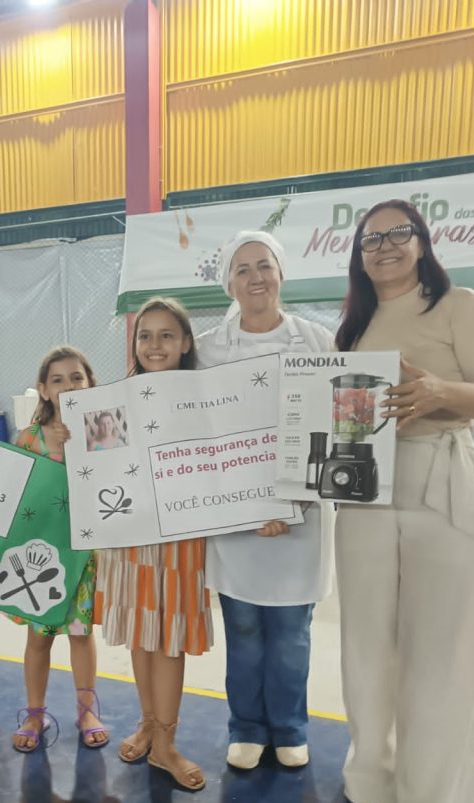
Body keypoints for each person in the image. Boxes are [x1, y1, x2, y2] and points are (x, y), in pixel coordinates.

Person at [334, 200, 474, 803]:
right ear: (358, 254)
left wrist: (442, 393)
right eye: (371, 238)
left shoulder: (460, 306)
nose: (385, 246)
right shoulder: (353, 327)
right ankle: (374, 777)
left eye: (398, 233)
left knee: (441, 654)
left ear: (422, 242)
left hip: (442, 479)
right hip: (364, 490)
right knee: (367, 647)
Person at [195, 231, 334, 771]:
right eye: (243, 268)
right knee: (246, 630)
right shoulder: (206, 350)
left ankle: (290, 727)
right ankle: (248, 727)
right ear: (228, 283)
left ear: (281, 274)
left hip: (302, 518)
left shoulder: (318, 342)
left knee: (292, 632)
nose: (256, 277)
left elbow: (336, 427)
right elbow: (192, 429)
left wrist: (291, 504)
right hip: (236, 521)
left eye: (264, 266)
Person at [95, 298, 213, 790]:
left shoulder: (206, 399)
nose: (155, 345)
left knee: (168, 639)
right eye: (145, 335)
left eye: (167, 335)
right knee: (142, 633)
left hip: (180, 539)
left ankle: (166, 741)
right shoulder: (114, 401)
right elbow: (98, 468)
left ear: (185, 342)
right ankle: (147, 723)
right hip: (129, 536)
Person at [11, 346, 108, 752]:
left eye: (76, 378)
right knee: (39, 639)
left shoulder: (103, 431)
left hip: (83, 557)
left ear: (90, 383)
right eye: (57, 380)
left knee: (81, 636)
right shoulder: (29, 438)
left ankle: (87, 711)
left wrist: (79, 447)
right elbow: (13, 492)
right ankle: (34, 713)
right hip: (40, 560)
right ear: (43, 389)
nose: (68, 386)